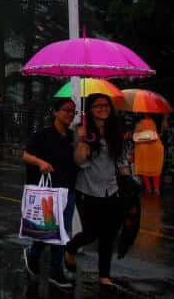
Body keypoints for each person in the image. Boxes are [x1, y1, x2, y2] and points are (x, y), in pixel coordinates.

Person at [65, 93, 130, 289]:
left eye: (106, 105)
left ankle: (104, 275)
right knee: (92, 232)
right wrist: (83, 142)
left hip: (111, 189)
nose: (103, 109)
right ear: (90, 110)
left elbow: (122, 159)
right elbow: (78, 161)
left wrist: (127, 179)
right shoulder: (80, 130)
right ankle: (70, 248)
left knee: (109, 234)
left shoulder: (114, 131)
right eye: (98, 106)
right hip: (87, 189)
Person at [21, 98, 78, 289]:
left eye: (73, 111)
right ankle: (33, 255)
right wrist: (40, 163)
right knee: (46, 231)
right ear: (55, 112)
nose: (70, 114)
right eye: (66, 110)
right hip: (48, 192)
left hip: (68, 191)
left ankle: (55, 271)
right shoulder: (43, 135)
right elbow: (26, 155)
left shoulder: (73, 137)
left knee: (62, 233)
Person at [133, 115, 163, 195]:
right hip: (156, 146)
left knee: (145, 167)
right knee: (155, 168)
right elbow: (159, 133)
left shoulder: (139, 122)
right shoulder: (157, 119)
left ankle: (148, 188)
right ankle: (156, 189)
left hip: (144, 148)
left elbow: (136, 135)